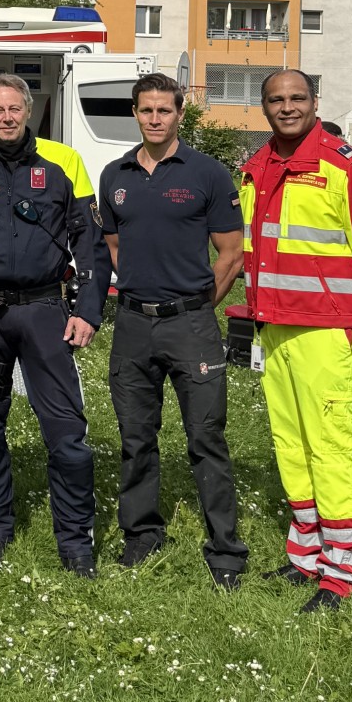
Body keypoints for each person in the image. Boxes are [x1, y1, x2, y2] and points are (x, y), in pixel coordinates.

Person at [240, 72, 352, 613]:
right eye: (276, 100)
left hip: (333, 330)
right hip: (277, 326)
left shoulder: (349, 169)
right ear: (263, 106)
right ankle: (305, 555)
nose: (286, 108)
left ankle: (341, 572)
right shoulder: (257, 167)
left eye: (296, 98)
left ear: (315, 102)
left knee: (331, 448)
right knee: (291, 445)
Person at [0, 73, 110, 575]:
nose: (8, 118)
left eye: (16, 109)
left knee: (66, 431)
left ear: (28, 112)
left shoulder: (64, 161)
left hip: (45, 313)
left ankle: (76, 540)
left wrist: (88, 311)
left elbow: (90, 245)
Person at [97, 73, 247, 589]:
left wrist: (198, 309)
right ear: (135, 114)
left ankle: (225, 550)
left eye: (164, 110)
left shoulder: (208, 173)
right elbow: (115, 247)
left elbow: (231, 254)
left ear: (180, 113)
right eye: (146, 111)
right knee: (136, 437)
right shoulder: (113, 174)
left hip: (191, 325)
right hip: (134, 324)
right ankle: (142, 535)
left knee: (206, 436)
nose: (155, 119)